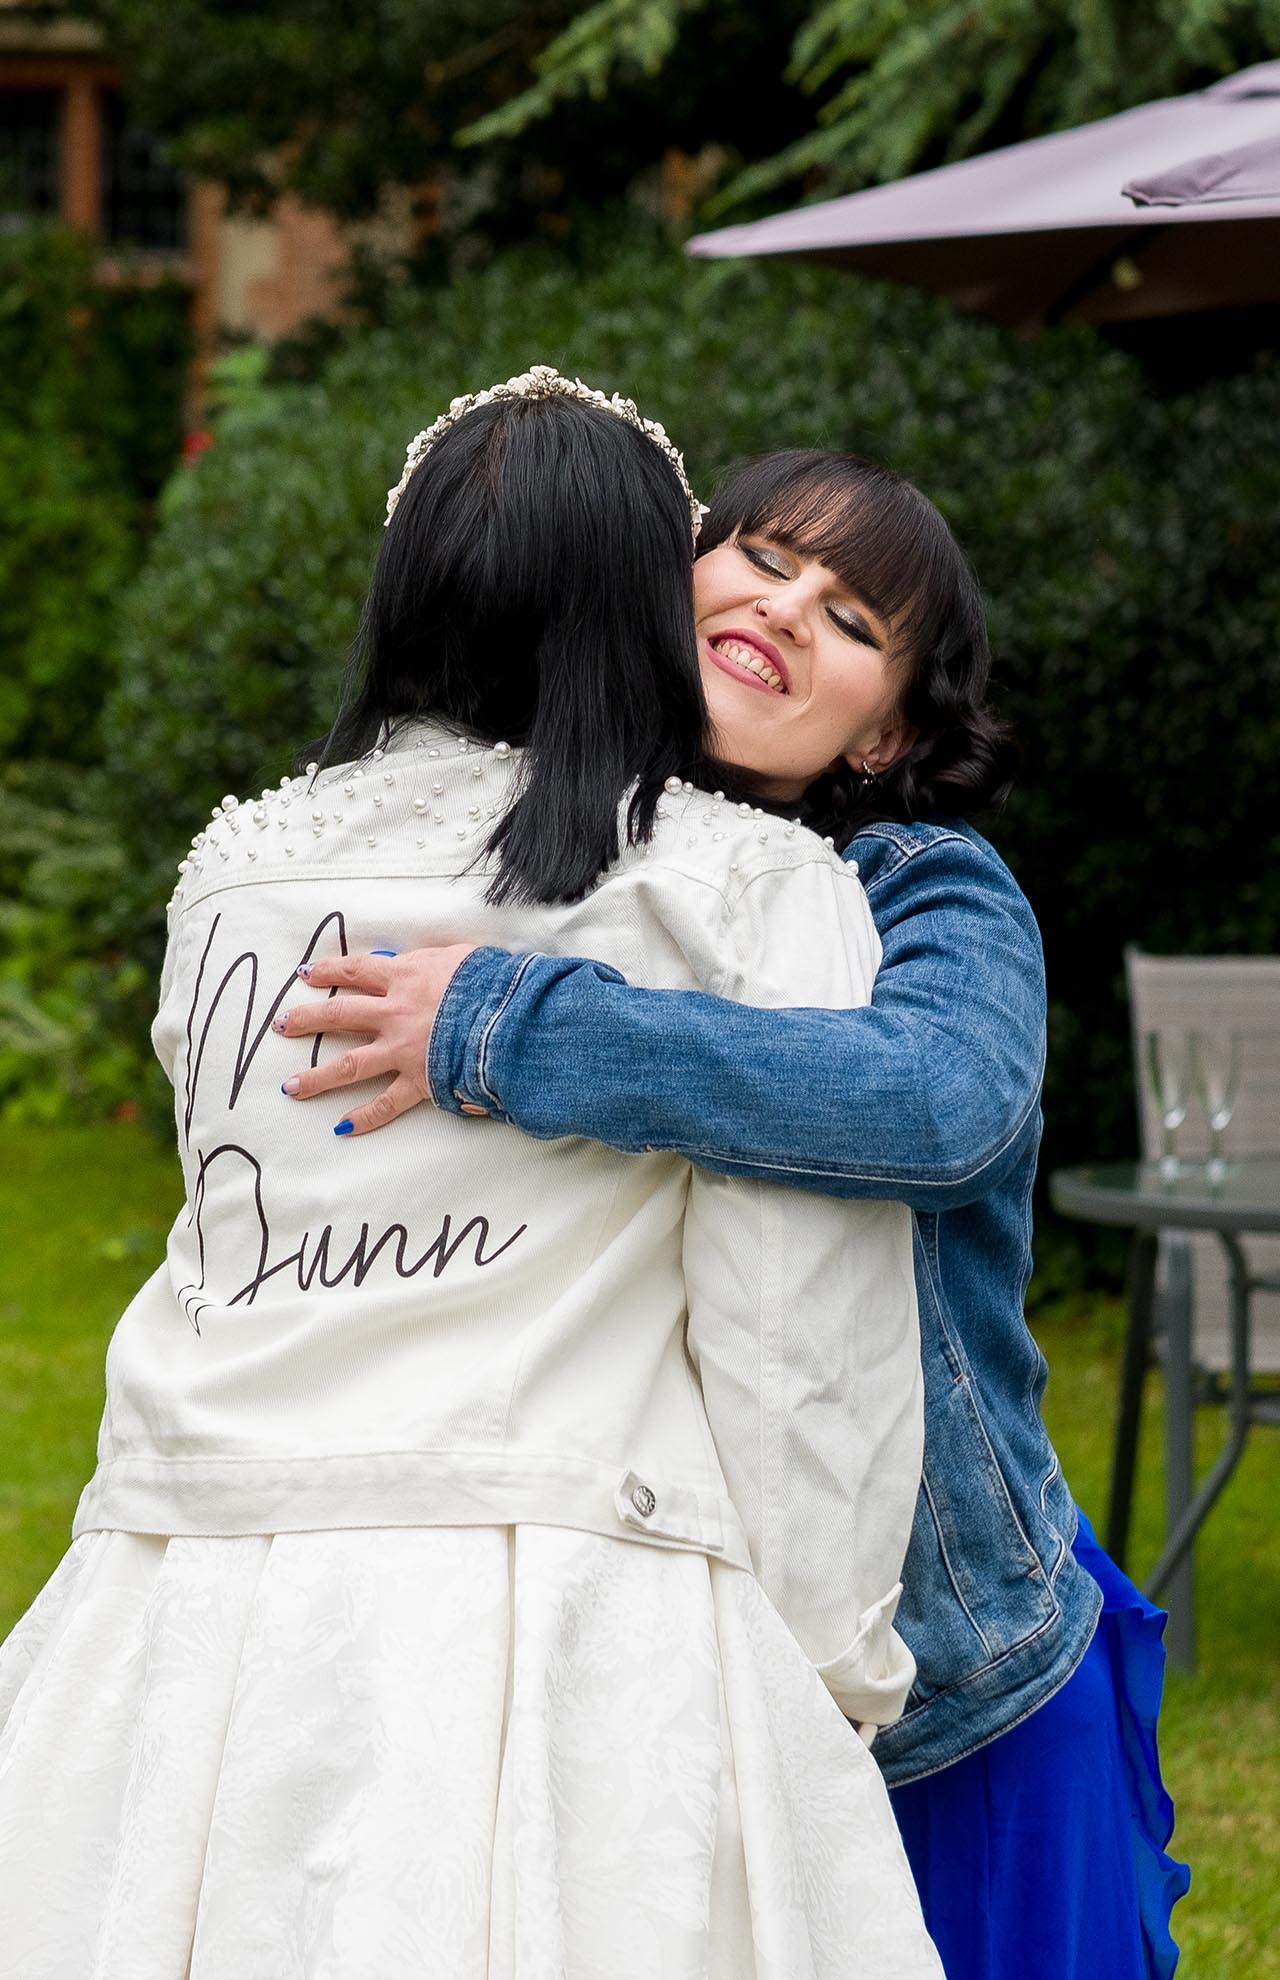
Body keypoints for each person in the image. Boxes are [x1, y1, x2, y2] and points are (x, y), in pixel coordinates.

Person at [0, 374, 942, 1979]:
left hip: (189, 1591)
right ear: (640, 610)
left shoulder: (234, 875)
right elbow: (800, 1341)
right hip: (577, 1604)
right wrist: (824, 1663)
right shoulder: (735, 883)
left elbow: (221, 1223)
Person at [279, 447, 1190, 1980]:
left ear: (884, 726)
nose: (783, 608)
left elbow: (934, 1101)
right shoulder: (556, 850)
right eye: (760, 557)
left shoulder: (927, 890)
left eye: (851, 619)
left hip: (940, 1652)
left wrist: (516, 1032)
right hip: (637, 1643)